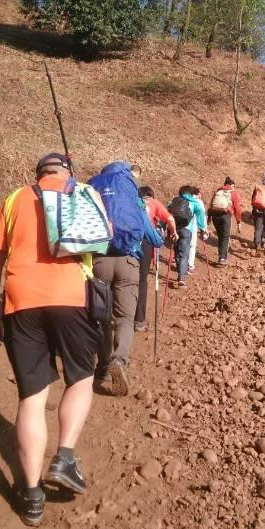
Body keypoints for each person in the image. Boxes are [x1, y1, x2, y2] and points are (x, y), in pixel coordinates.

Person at [0, 152, 105, 526]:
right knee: (81, 377)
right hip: (72, 297)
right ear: (66, 171)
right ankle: (65, 456)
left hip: (21, 303)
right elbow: (100, 243)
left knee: (32, 398)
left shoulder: (14, 198)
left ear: (37, 174)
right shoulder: (83, 192)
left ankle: (32, 496)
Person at [88, 162, 164, 397]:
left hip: (99, 260)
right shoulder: (132, 193)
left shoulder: (93, 189)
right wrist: (159, 238)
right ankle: (119, 360)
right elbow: (153, 236)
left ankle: (102, 366)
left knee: (101, 317)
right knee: (124, 318)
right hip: (128, 261)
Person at [135, 186, 177, 332]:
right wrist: (174, 232)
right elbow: (170, 219)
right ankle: (139, 320)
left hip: (126, 241)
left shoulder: (130, 201)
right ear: (150, 195)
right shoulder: (154, 203)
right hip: (145, 242)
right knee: (141, 280)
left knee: (123, 280)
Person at [168, 185, 208, 288]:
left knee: (177, 252)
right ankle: (182, 278)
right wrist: (203, 229)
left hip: (173, 229)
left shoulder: (174, 201)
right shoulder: (194, 203)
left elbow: (166, 212)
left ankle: (180, 273)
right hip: (187, 230)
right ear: (191, 193)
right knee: (184, 254)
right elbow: (201, 215)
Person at [208, 176, 242, 266]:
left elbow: (211, 205)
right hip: (225, 216)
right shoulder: (233, 193)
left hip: (215, 215)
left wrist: (209, 218)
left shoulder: (218, 191)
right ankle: (222, 258)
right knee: (225, 237)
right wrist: (239, 221)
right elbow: (237, 208)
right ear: (232, 185)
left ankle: (221, 256)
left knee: (220, 236)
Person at [187, 186, 206, 274]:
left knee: (182, 245)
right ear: (198, 194)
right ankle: (190, 265)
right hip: (192, 226)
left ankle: (181, 264)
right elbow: (202, 216)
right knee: (192, 245)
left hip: (181, 226)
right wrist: (203, 229)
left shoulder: (183, 199)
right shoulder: (198, 202)